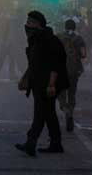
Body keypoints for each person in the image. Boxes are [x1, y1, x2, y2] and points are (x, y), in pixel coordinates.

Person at [16, 11, 69, 157]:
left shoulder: (49, 40)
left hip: (49, 84)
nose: (27, 25)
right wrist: (25, 78)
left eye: (30, 22)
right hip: (39, 83)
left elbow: (55, 64)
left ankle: (30, 143)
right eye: (27, 22)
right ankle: (56, 143)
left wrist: (51, 84)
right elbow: (34, 63)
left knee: (40, 114)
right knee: (49, 113)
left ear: (38, 25)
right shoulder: (35, 40)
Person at [58, 19, 87, 132]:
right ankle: (70, 112)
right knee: (72, 93)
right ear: (74, 27)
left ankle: (65, 110)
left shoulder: (59, 36)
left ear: (65, 26)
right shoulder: (79, 38)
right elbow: (83, 54)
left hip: (60, 70)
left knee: (61, 95)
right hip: (74, 71)